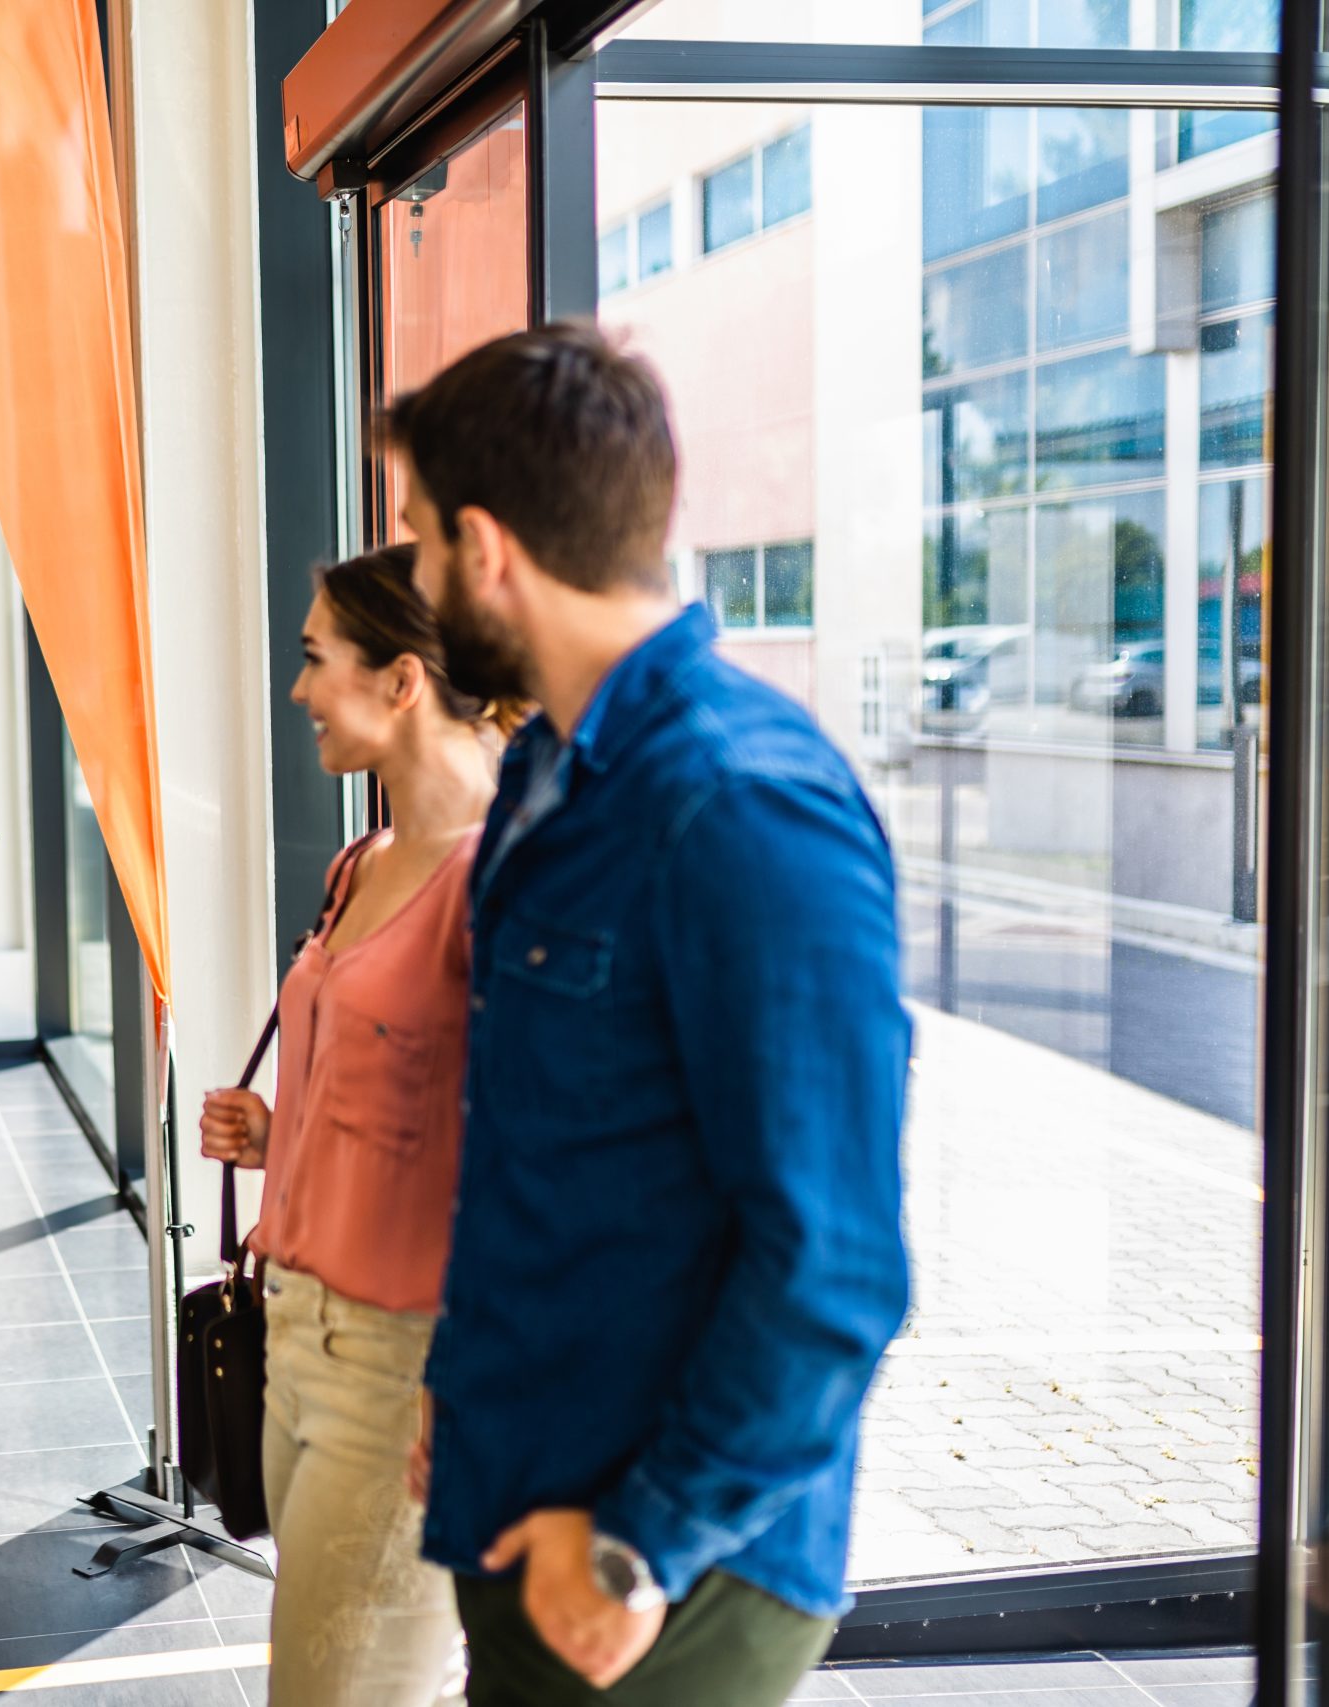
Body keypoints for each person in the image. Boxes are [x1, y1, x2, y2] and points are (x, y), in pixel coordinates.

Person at [385, 324, 912, 1707]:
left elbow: (836, 1266)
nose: (418, 576)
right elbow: (547, 1145)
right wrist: (472, 1381)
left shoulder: (742, 806)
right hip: (534, 1488)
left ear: (487, 549)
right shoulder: (550, 775)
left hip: (662, 1569)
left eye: (420, 540)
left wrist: (642, 1542)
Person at [198, 545, 510, 1707]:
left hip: (401, 1366)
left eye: (315, 658)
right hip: (294, 1331)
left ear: (403, 680)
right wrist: (281, 1136)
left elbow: (519, 1162)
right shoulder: (360, 860)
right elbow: (411, 1105)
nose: (298, 689)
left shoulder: (503, 881)